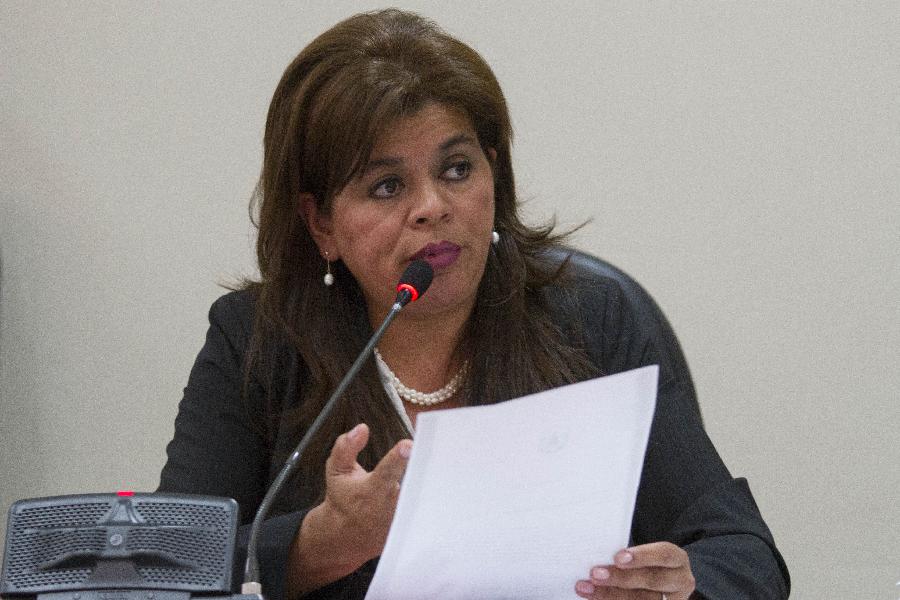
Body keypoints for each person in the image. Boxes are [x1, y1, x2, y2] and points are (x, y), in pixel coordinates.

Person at [158, 8, 789, 600]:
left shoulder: (592, 318)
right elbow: (164, 564)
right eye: (387, 185)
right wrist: (323, 544)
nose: (432, 206)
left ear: (495, 173)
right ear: (321, 223)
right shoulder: (259, 344)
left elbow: (743, 554)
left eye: (456, 169)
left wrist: (683, 584)